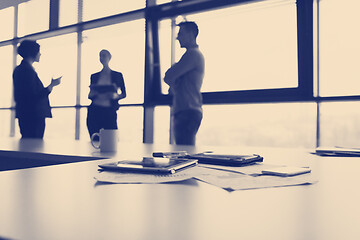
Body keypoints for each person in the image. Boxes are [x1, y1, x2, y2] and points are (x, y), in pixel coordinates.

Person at [164, 21, 205, 145]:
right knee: (184, 153)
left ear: (191, 34)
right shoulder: (192, 55)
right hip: (187, 110)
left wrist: (174, 76)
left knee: (184, 154)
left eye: (181, 33)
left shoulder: (192, 55)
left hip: (187, 110)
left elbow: (168, 76)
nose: (177, 37)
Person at [13, 39, 62, 139]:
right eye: (38, 51)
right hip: (33, 115)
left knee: (28, 143)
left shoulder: (21, 69)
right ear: (33, 53)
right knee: (33, 144)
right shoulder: (27, 70)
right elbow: (33, 95)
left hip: (26, 114)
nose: (40, 54)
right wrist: (51, 86)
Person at [86, 49, 126, 140]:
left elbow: (124, 94)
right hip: (94, 110)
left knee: (111, 139)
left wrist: (115, 96)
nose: (102, 58)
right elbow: (90, 95)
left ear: (109, 57)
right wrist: (92, 93)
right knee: (95, 138)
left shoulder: (117, 75)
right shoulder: (94, 76)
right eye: (100, 56)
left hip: (109, 110)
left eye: (104, 55)